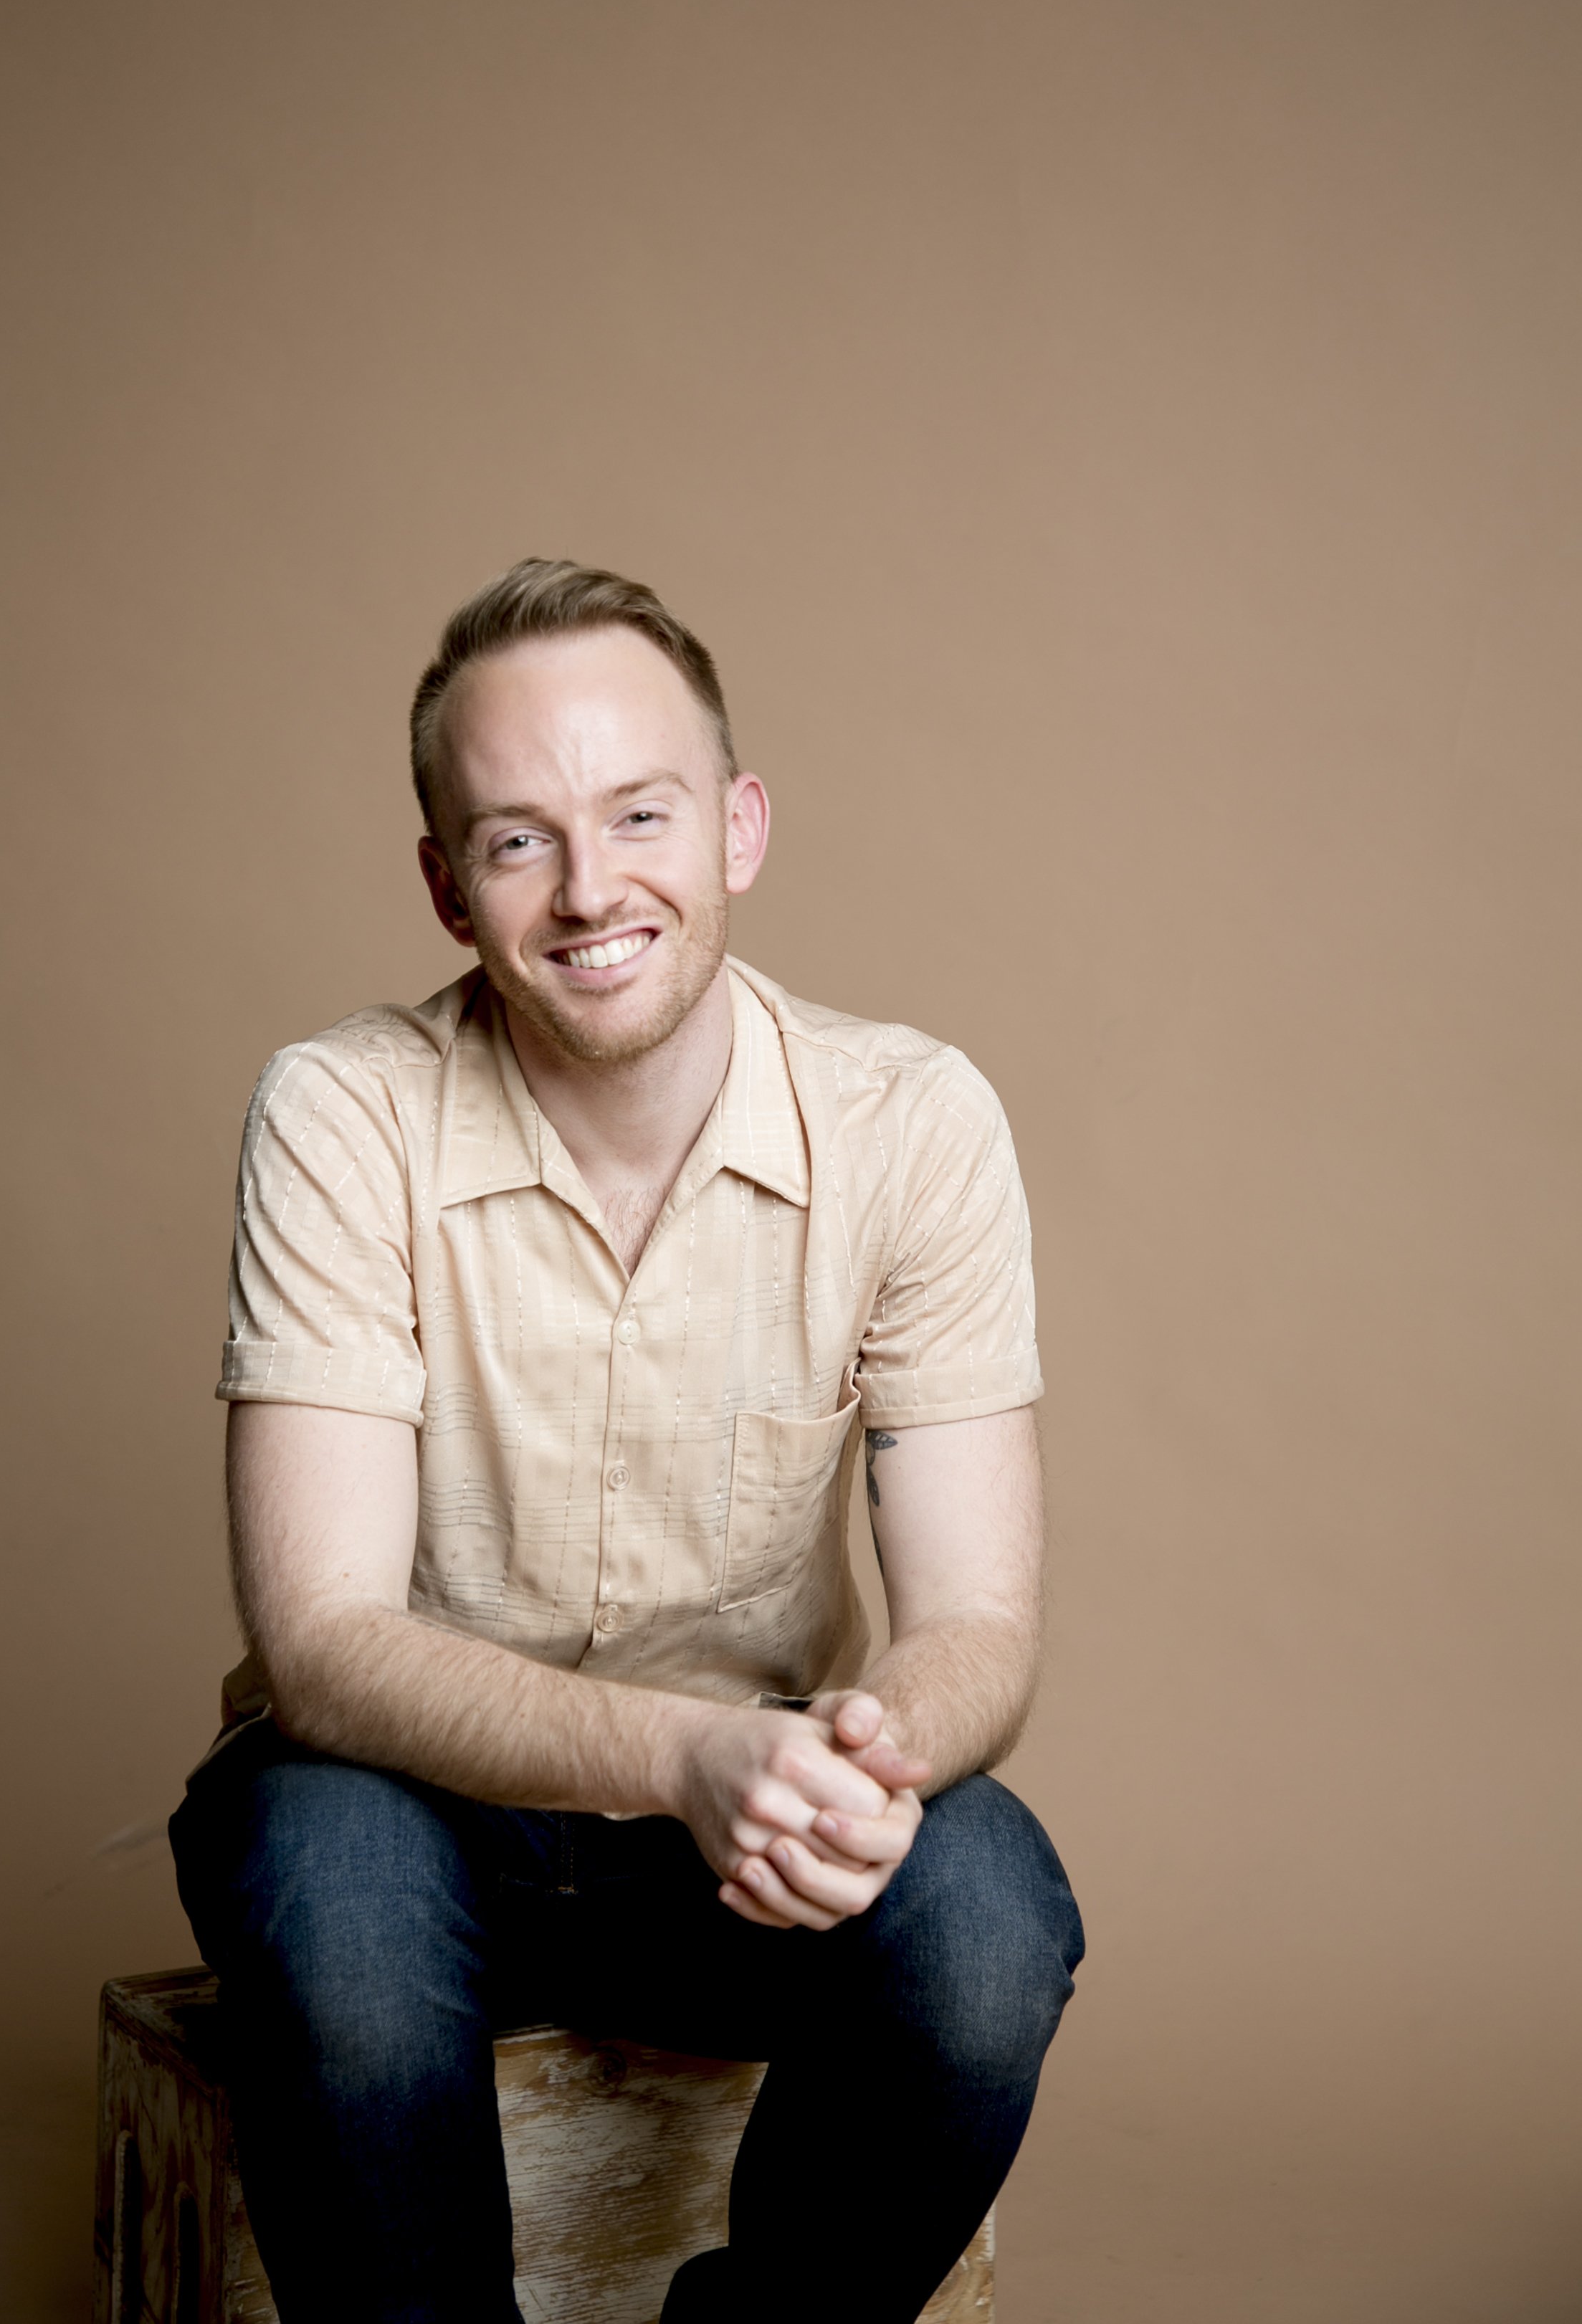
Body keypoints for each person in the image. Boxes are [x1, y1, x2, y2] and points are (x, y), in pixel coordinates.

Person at [170, 557, 1084, 2324]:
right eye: (518, 840)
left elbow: (981, 1629)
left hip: (742, 1847)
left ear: (738, 826)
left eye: (640, 813)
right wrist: (679, 1756)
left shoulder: (915, 1122)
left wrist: (862, 1761)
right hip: (399, 1811)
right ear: (448, 889)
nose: (595, 888)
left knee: (986, 1920)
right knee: (334, 1896)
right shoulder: (342, 1113)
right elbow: (326, 1647)